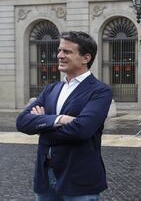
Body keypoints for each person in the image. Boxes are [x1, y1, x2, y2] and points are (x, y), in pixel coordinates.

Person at [16, 31, 113, 201]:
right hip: (45, 177)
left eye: (67, 52)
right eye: (59, 50)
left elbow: (82, 130)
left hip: (79, 180)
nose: (59, 55)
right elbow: (22, 122)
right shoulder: (51, 89)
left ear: (86, 58)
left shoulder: (100, 91)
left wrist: (42, 127)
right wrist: (58, 120)